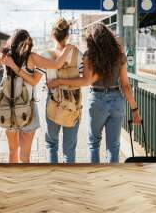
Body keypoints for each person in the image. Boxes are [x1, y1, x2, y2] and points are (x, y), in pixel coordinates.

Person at [0, 9, 74, 163]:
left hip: (8, 109)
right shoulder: (32, 58)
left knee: (12, 152)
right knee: (25, 156)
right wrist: (68, 47)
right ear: (28, 43)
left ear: (11, 42)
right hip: (28, 110)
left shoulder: (3, 56)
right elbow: (56, 64)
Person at [48, 23, 141, 163]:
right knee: (114, 147)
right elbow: (126, 86)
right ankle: (111, 180)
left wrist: (59, 81)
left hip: (97, 100)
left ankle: (95, 179)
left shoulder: (90, 55)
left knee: (94, 144)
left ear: (91, 39)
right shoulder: (119, 55)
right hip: (116, 100)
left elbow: (86, 81)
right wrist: (134, 109)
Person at [40, 18, 83, 163]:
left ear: (52, 34)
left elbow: (39, 78)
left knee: (51, 144)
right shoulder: (77, 54)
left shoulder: (45, 55)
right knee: (69, 148)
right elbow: (84, 79)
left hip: (53, 102)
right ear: (68, 35)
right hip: (73, 103)